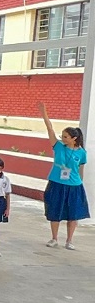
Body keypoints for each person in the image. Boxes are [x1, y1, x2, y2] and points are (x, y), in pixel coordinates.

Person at [39, 102, 89, 250]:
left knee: (73, 214)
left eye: (66, 136)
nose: (63, 138)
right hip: (56, 183)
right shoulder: (58, 146)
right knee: (55, 210)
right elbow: (50, 129)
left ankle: (69, 240)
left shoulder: (81, 152)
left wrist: (80, 182)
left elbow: (80, 169)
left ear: (74, 138)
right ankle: (54, 238)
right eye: (62, 136)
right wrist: (44, 113)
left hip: (74, 186)